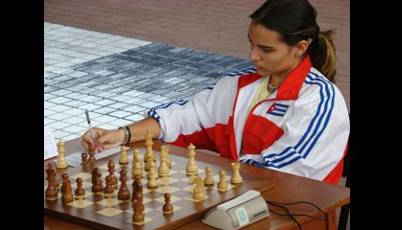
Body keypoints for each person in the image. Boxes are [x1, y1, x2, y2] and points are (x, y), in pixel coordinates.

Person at [81, 0, 349, 184]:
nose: (252, 56)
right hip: (238, 202)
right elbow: (183, 116)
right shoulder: (239, 84)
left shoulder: (321, 102)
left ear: (300, 47)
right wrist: (121, 134)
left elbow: (284, 174)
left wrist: (212, 181)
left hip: (294, 217)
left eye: (266, 50)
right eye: (252, 44)